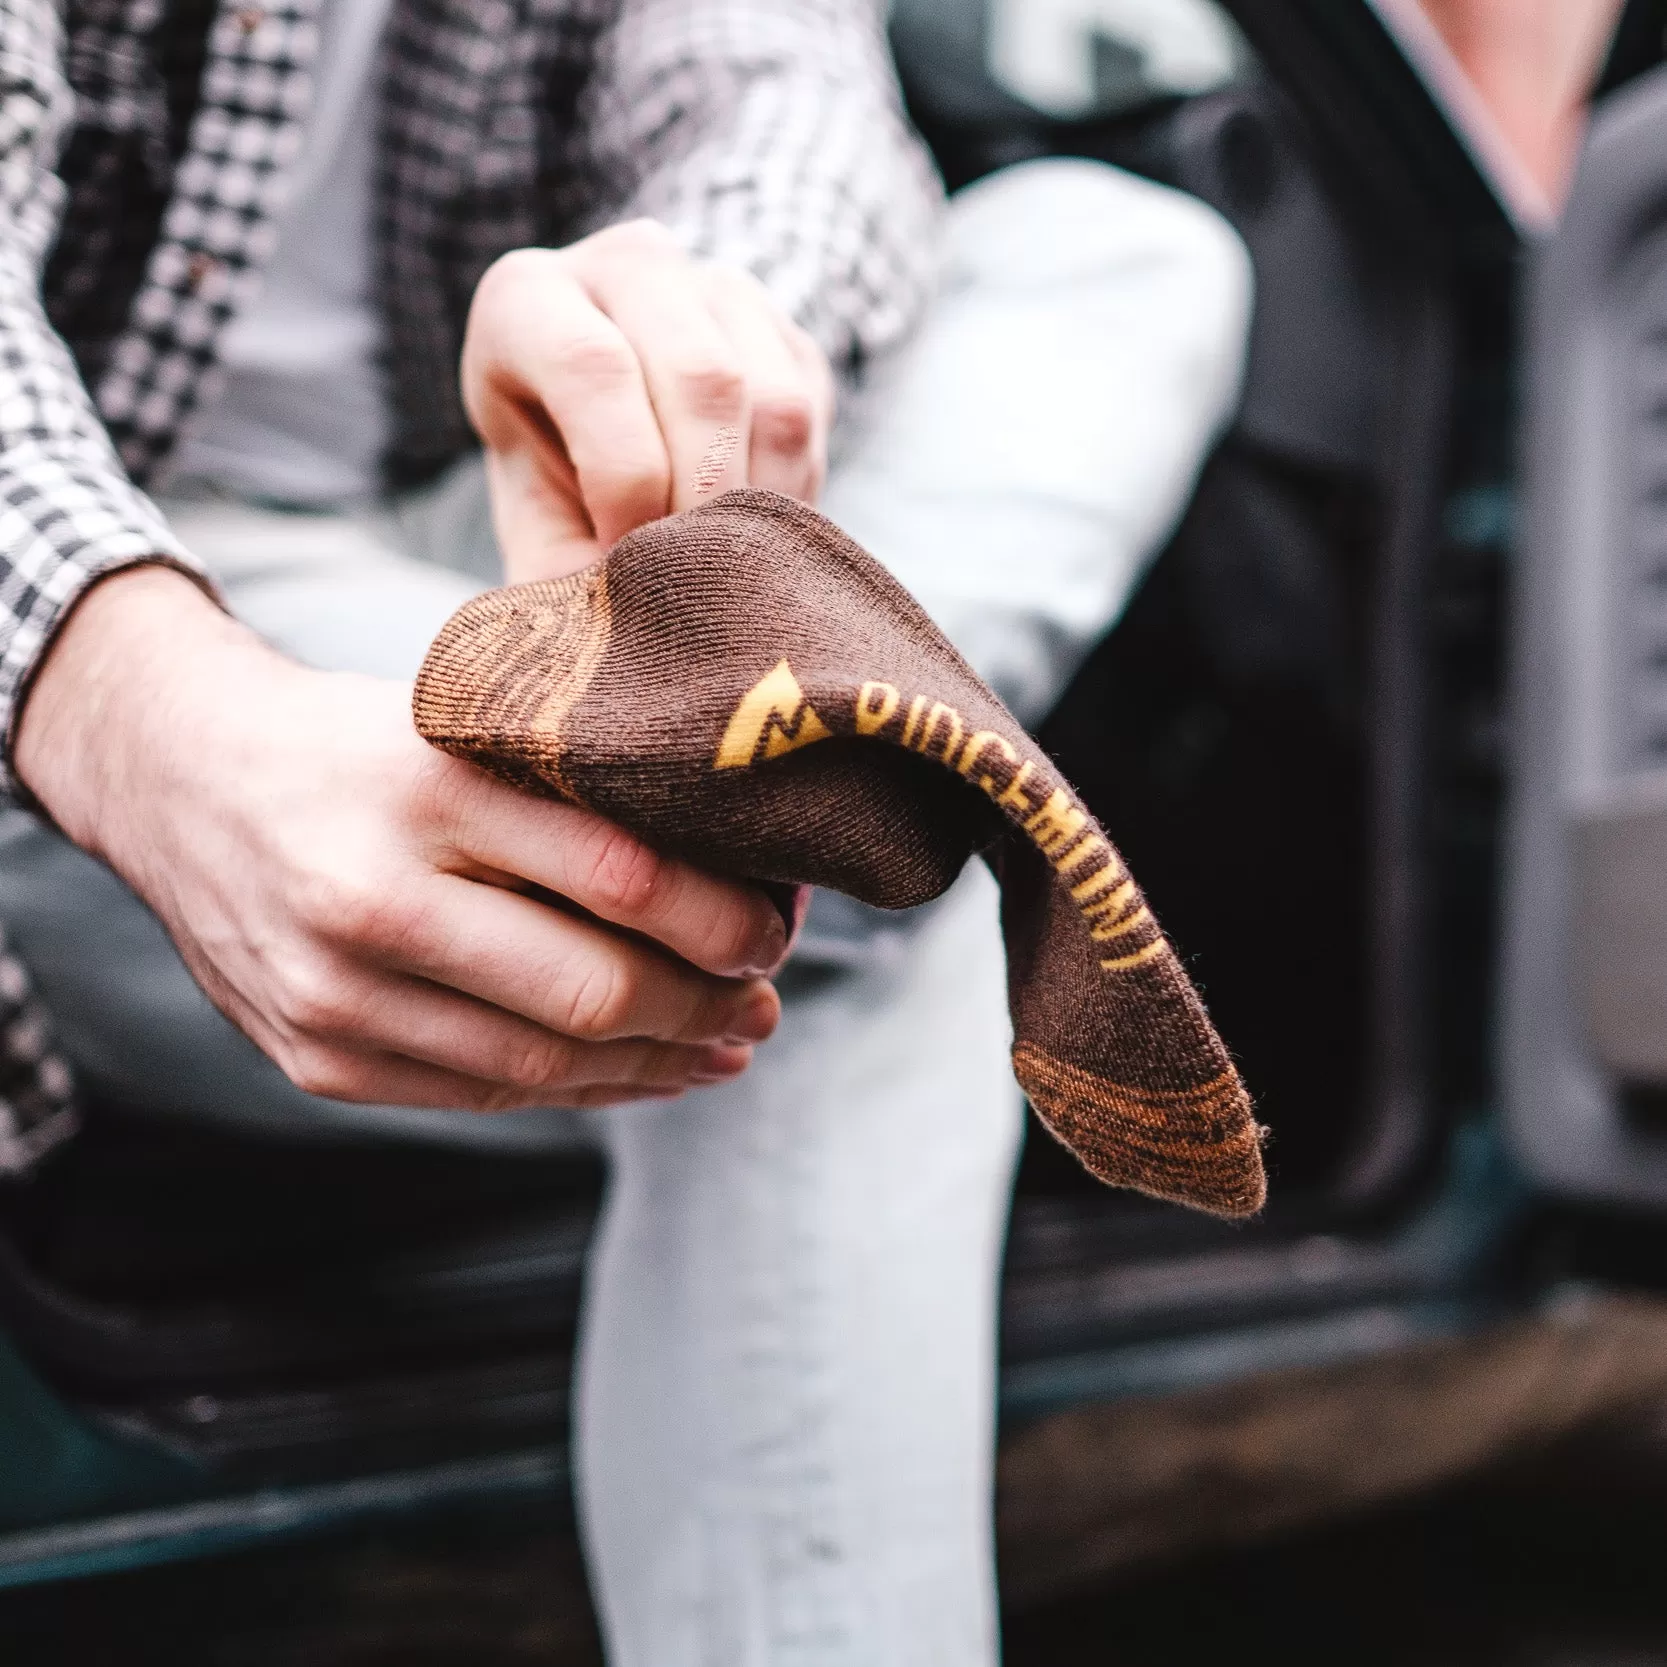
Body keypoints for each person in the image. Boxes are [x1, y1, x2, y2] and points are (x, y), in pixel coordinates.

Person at [0, 0, 1251, 1659]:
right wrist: (126, 705)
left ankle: (753, 728)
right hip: (104, 573)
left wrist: (705, 349)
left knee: (1121, 249)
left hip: (472, 508)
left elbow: (781, 99)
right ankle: (801, 772)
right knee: (811, 943)